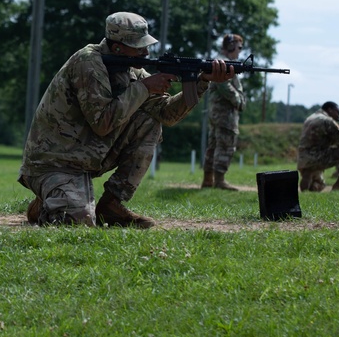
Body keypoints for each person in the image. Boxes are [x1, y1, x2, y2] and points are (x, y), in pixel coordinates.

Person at [19, 12, 235, 229]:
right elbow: (102, 123)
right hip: (54, 161)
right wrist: (145, 87)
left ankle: (111, 205)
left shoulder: (131, 70)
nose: (146, 52)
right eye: (139, 46)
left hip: (87, 156)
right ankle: (46, 204)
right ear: (117, 47)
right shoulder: (88, 62)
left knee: (149, 121)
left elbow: (166, 115)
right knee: (78, 222)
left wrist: (202, 81)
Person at [202, 33, 246, 190]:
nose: (240, 51)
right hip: (224, 112)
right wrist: (239, 100)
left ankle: (208, 180)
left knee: (213, 146)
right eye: (239, 47)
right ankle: (219, 181)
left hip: (216, 111)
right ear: (232, 47)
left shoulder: (219, 60)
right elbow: (224, 85)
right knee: (225, 145)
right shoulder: (223, 63)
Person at [296, 101, 339, 192]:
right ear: (330, 110)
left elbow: (322, 139)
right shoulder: (328, 121)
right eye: (337, 112)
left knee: (318, 185)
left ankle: (309, 178)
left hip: (303, 158)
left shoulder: (311, 118)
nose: (338, 116)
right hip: (317, 157)